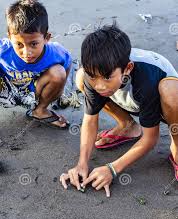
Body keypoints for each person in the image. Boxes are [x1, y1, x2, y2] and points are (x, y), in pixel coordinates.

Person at [60, 23, 178, 197]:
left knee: (171, 91)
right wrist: (81, 164)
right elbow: (90, 119)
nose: (99, 85)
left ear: (128, 68)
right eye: (93, 77)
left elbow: (151, 139)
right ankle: (127, 126)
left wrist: (112, 169)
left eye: (107, 77)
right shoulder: (92, 73)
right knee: (80, 77)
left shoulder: (146, 77)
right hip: (132, 100)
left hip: (166, 105)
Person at [0, 0, 72, 128]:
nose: (27, 52)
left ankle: (40, 111)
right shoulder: (3, 50)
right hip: (7, 91)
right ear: (10, 38)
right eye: (19, 44)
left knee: (58, 73)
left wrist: (58, 92)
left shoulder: (57, 53)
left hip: (33, 92)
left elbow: (67, 64)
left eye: (33, 44)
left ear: (46, 38)